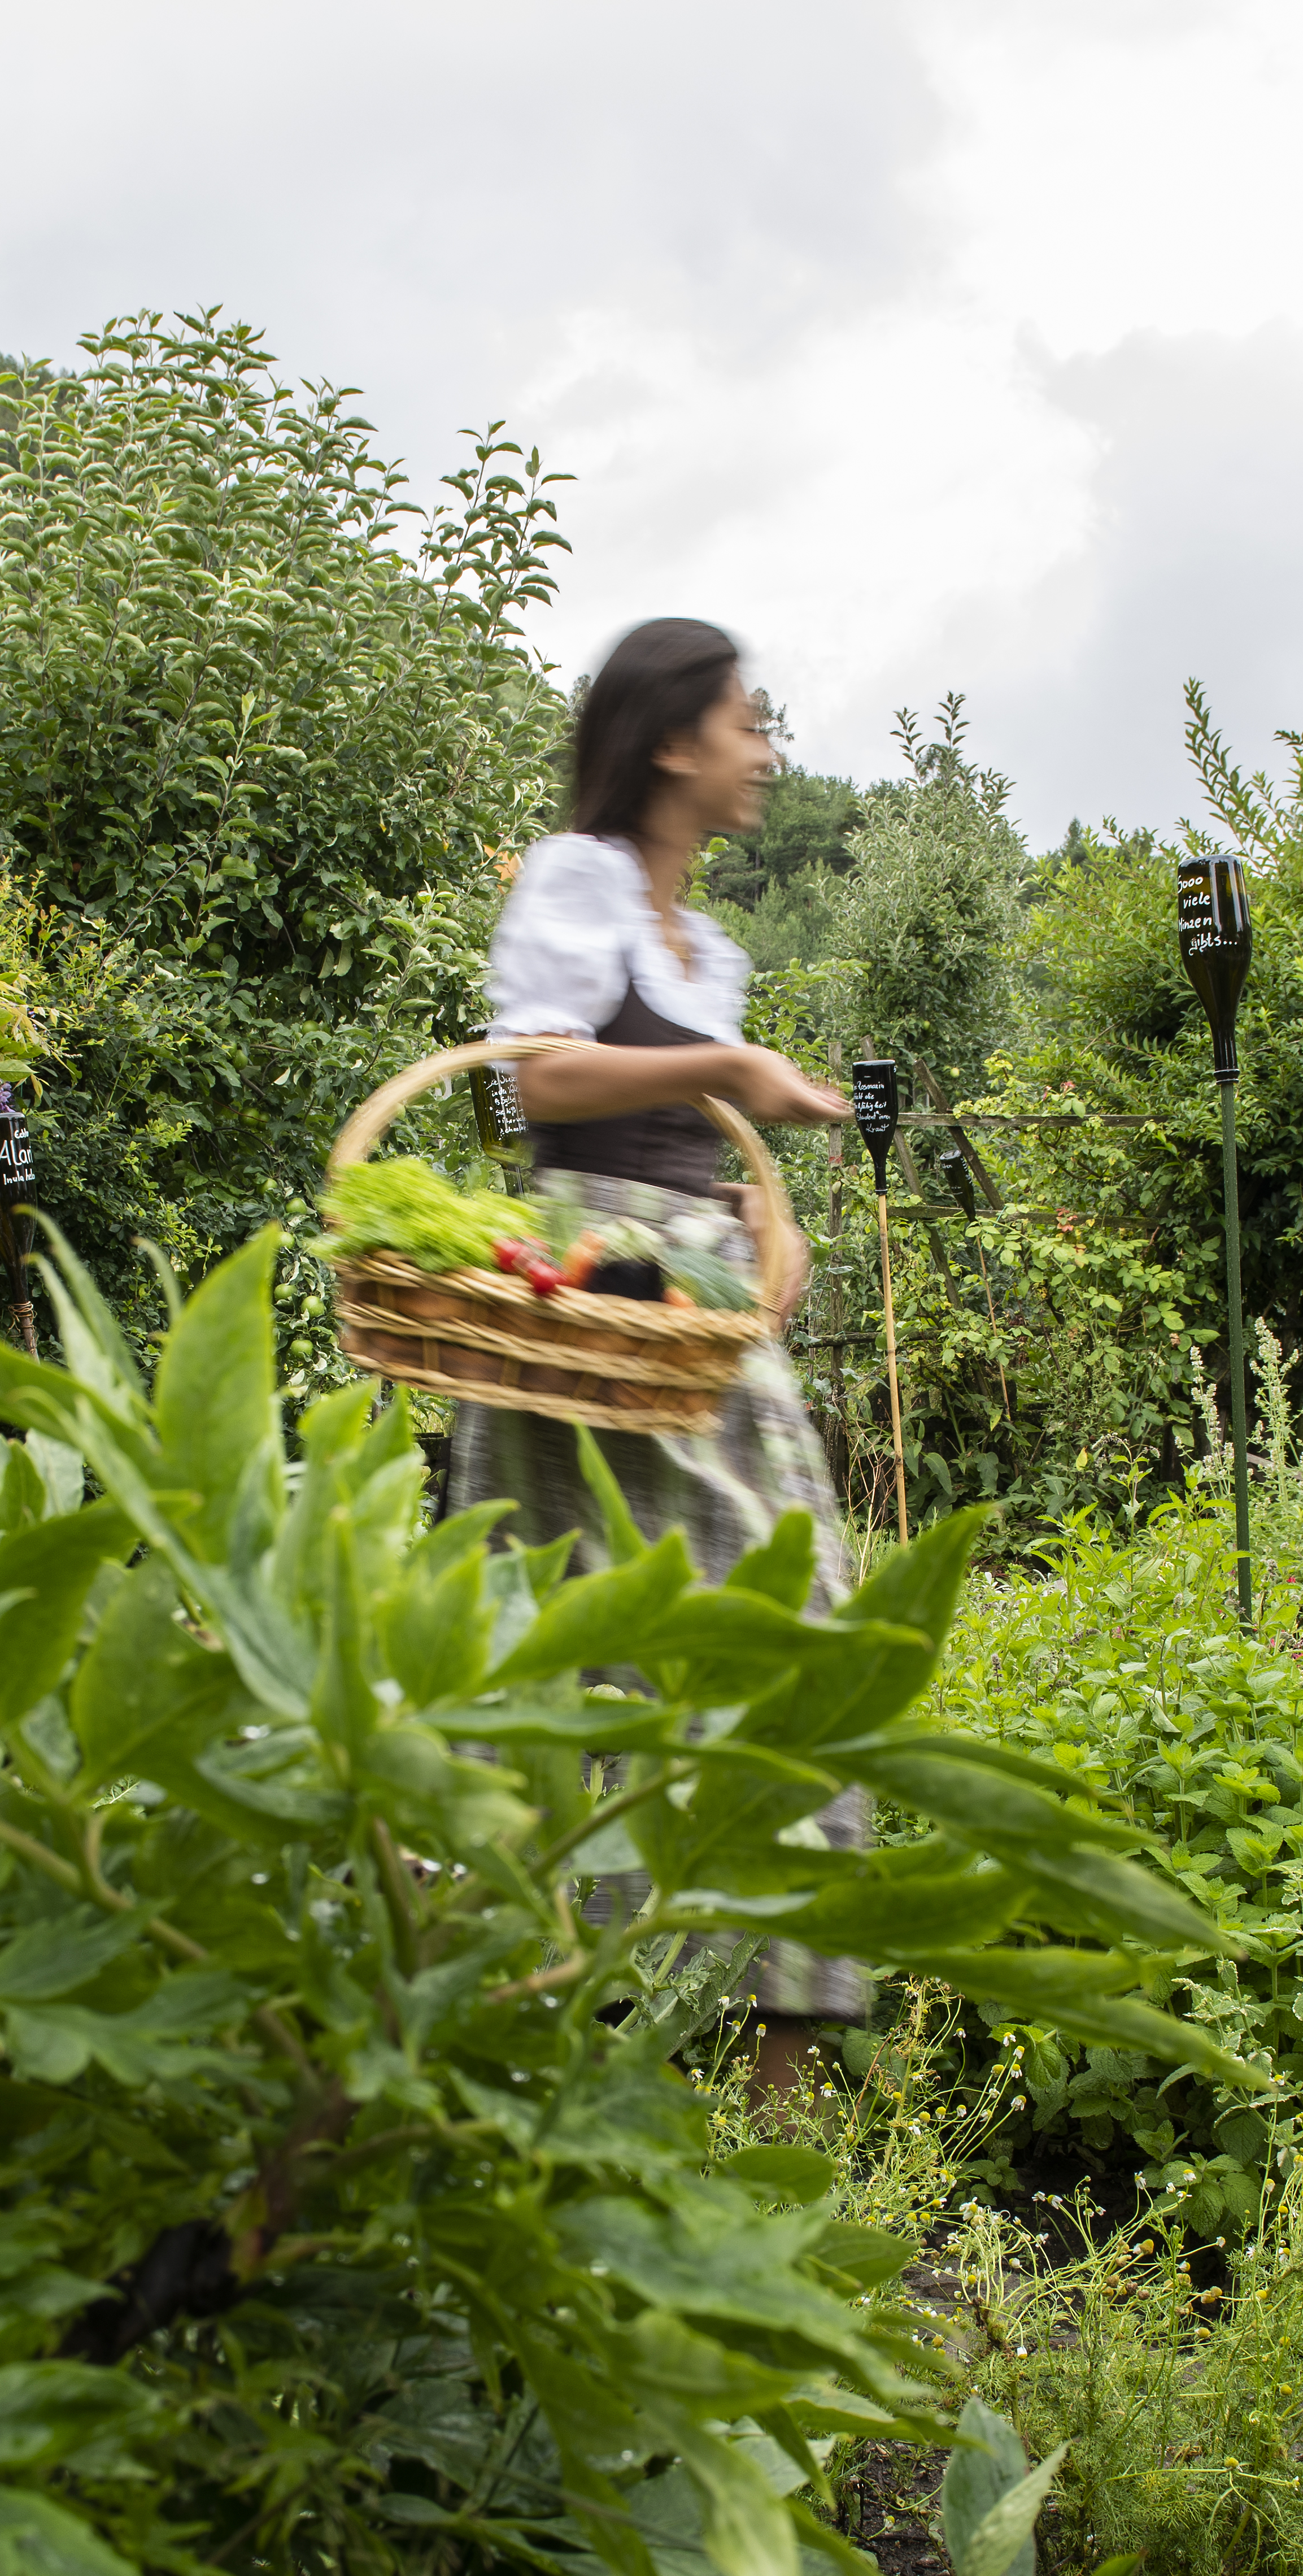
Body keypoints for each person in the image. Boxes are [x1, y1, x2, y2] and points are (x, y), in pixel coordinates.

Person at [458, 615, 862, 2101]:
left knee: (795, 1626)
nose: (765, 752)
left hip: (692, 1301)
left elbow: (714, 1136)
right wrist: (726, 1073)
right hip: (589, 1299)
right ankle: (567, 2034)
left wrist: (768, 1206)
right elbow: (541, 1076)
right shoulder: (578, 883)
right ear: (675, 741)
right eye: (748, 723)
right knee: (597, 1653)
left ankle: (783, 2079)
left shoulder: (718, 947)